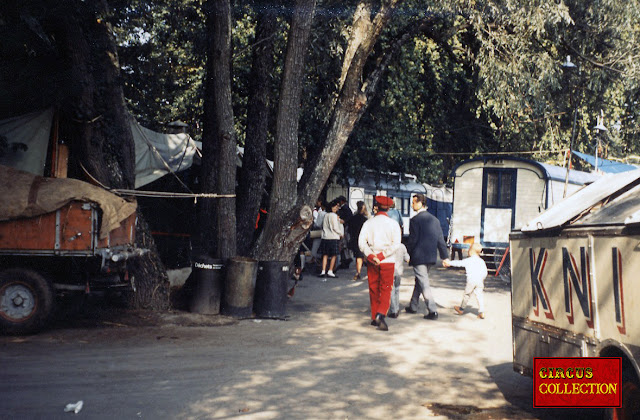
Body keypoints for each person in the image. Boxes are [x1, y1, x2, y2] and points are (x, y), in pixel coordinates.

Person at [358, 196, 401, 331]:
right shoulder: (393, 224)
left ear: (376, 207)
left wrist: (371, 255)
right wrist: (382, 255)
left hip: (372, 261)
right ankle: (381, 314)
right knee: (386, 288)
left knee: (373, 287)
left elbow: (361, 243)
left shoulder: (368, 223)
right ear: (388, 208)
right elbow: (396, 244)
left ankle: (373, 316)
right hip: (387, 260)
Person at [405, 193, 450, 320]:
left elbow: (412, 240)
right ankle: (413, 305)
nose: (412, 204)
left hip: (419, 257)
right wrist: (444, 257)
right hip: (431, 257)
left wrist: (407, 253)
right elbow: (440, 240)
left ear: (420, 203)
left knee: (423, 283)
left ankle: (432, 310)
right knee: (420, 281)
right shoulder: (435, 220)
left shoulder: (414, 220)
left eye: (413, 202)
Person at [443, 242, 488, 319]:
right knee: (479, 295)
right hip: (480, 280)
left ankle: (461, 309)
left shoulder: (468, 260)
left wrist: (449, 263)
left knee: (467, 295)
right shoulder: (481, 261)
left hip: (471, 280)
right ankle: (481, 312)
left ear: (470, 251)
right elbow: (485, 272)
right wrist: (482, 278)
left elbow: (459, 263)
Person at [318, 200, 343, 278]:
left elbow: (321, 225)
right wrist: (341, 234)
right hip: (333, 237)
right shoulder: (334, 216)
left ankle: (323, 271)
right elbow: (335, 227)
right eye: (335, 206)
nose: (336, 208)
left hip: (325, 237)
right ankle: (330, 271)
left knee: (325, 255)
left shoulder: (326, 215)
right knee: (334, 255)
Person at [388, 241, 410, 318]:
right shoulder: (402, 246)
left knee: (391, 291)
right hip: (399, 271)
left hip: (390, 270)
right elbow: (407, 258)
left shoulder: (388, 246)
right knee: (397, 289)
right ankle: (396, 308)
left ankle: (393, 310)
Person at [348, 201, 369, 280]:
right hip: (363, 239)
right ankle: (367, 271)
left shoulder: (353, 218)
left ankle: (358, 272)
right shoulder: (365, 219)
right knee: (364, 255)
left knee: (358, 256)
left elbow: (349, 229)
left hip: (355, 239)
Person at [336, 196, 353, 270]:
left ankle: (345, 260)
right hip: (346, 228)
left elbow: (348, 218)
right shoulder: (347, 208)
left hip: (345, 228)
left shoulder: (344, 209)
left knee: (343, 245)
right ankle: (345, 260)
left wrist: (344, 221)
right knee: (344, 246)